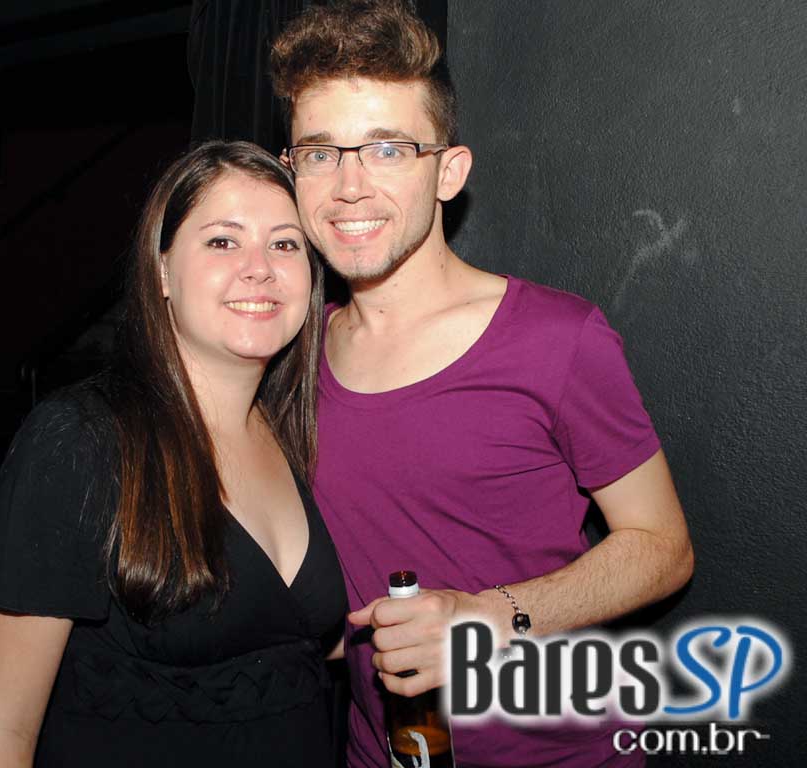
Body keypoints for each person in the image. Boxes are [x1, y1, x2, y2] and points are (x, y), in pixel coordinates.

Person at [270, 2, 694, 766]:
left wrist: (490, 617)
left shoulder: (556, 339)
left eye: (388, 149)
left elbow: (663, 549)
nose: (349, 186)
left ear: (449, 172)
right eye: (321, 152)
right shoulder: (292, 358)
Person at [0, 140, 346, 767]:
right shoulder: (79, 440)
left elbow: (279, 636)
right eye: (223, 240)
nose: (260, 268)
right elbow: (0, 735)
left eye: (285, 244)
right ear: (162, 271)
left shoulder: (292, 433)